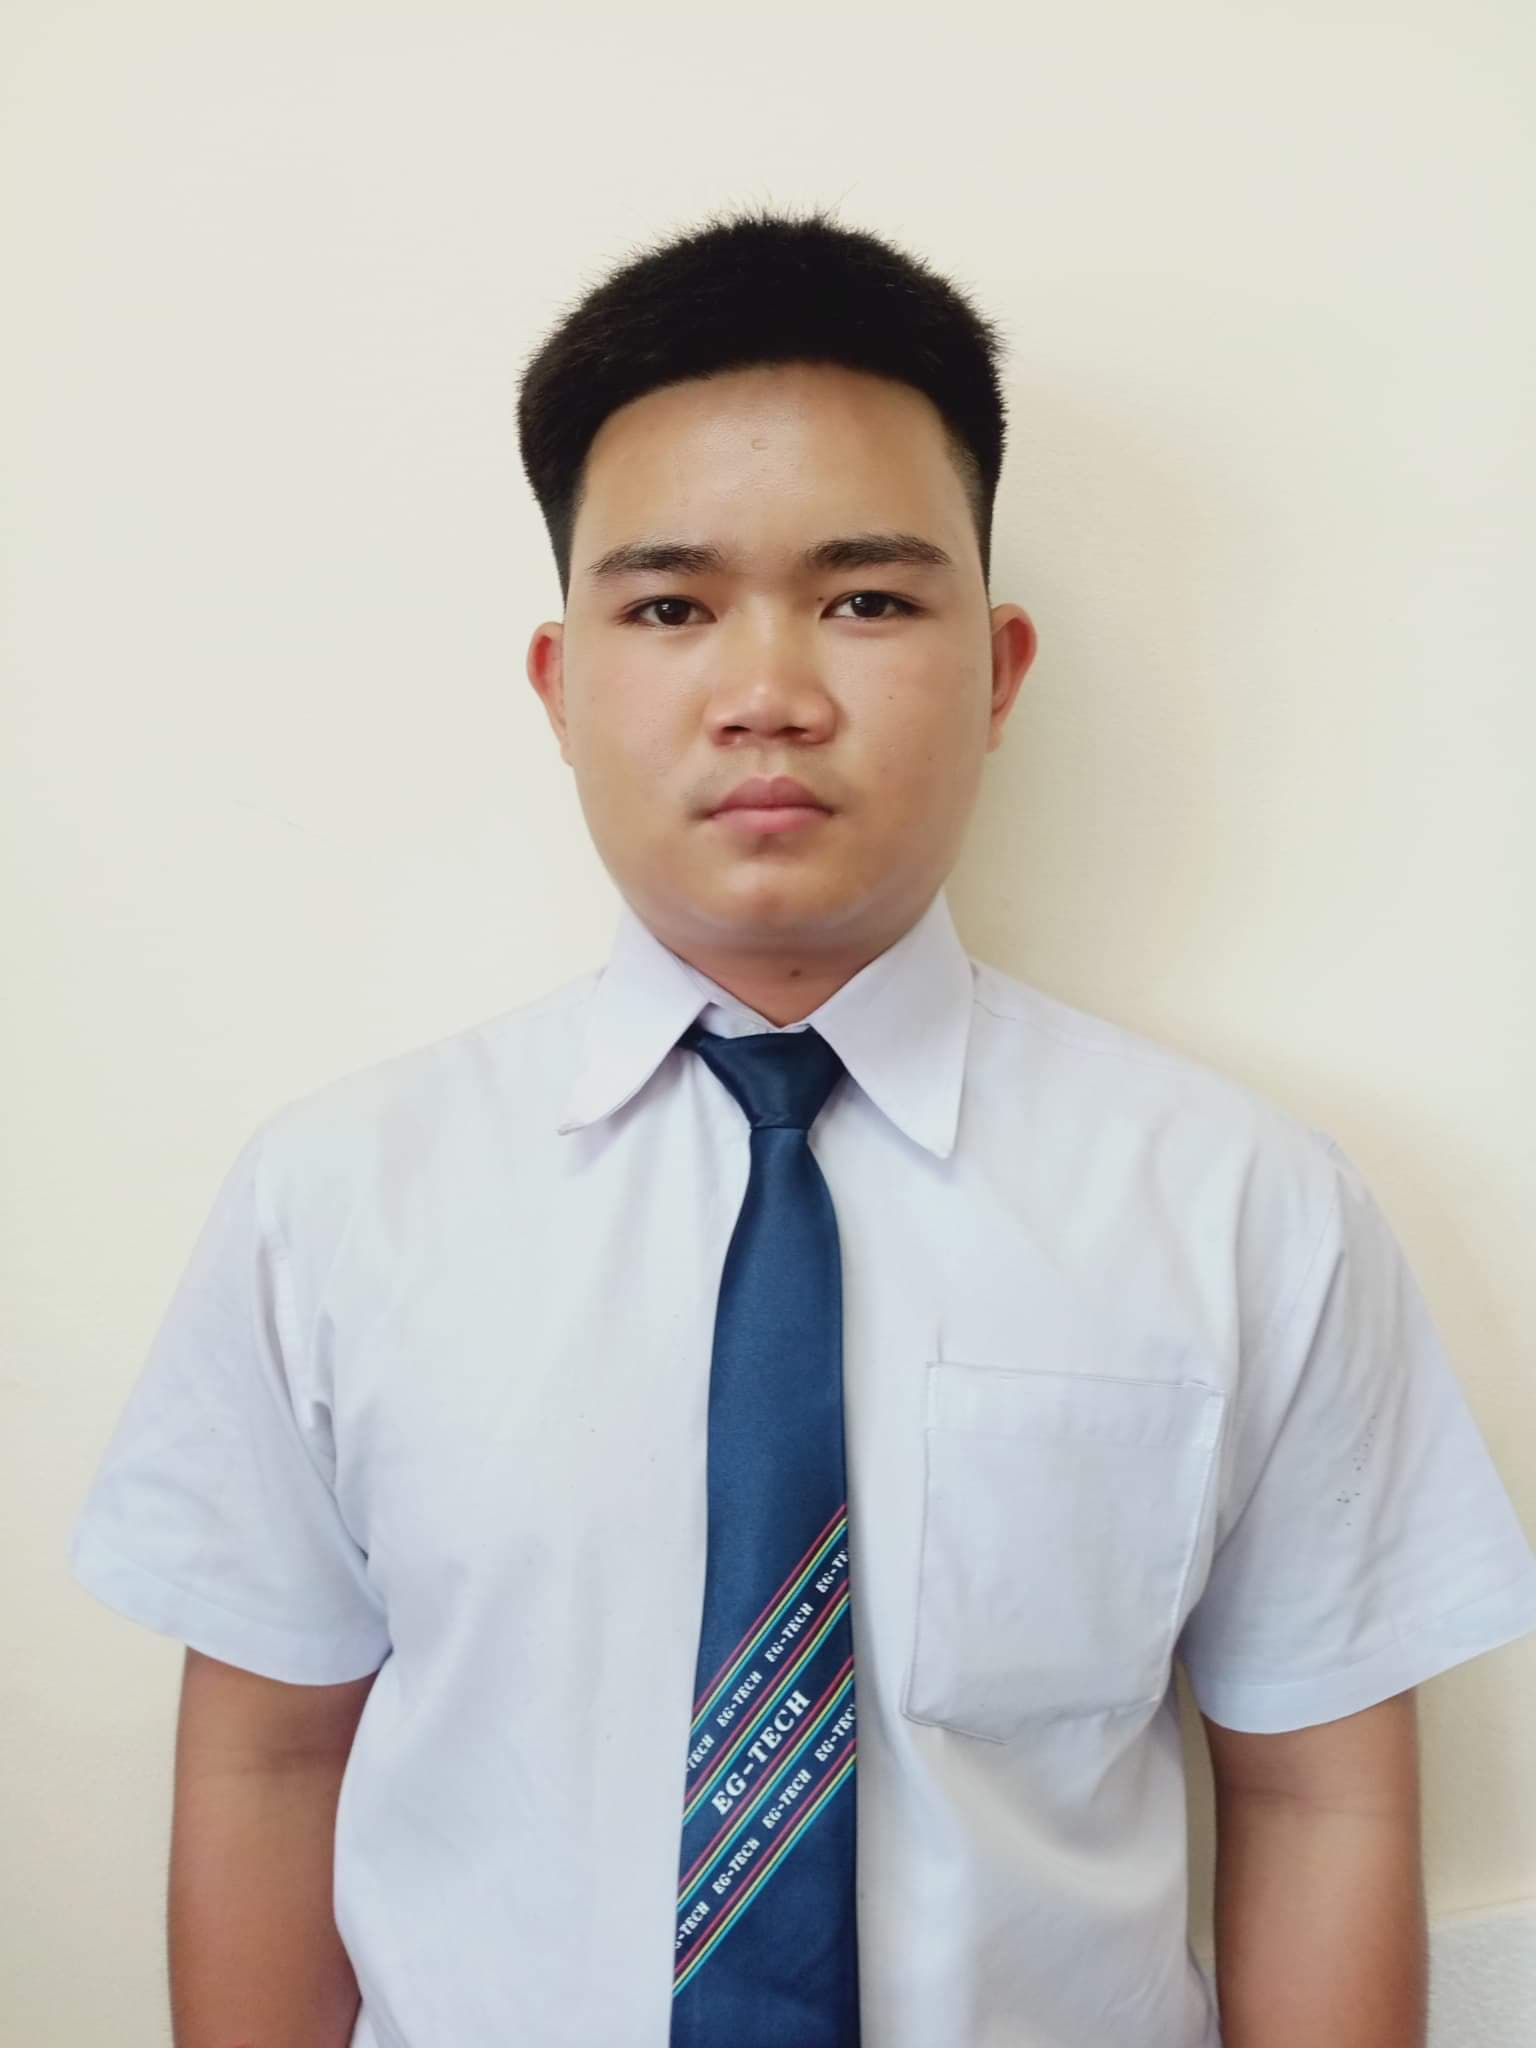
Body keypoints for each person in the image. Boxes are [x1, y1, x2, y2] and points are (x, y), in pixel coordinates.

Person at [67, 203, 1536, 2048]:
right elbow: (270, 1762)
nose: (768, 693)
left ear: (998, 670)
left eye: (867, 600)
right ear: (563, 684)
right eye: (671, 607)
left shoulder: (1248, 1209)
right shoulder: (337, 1202)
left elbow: (1320, 1802)